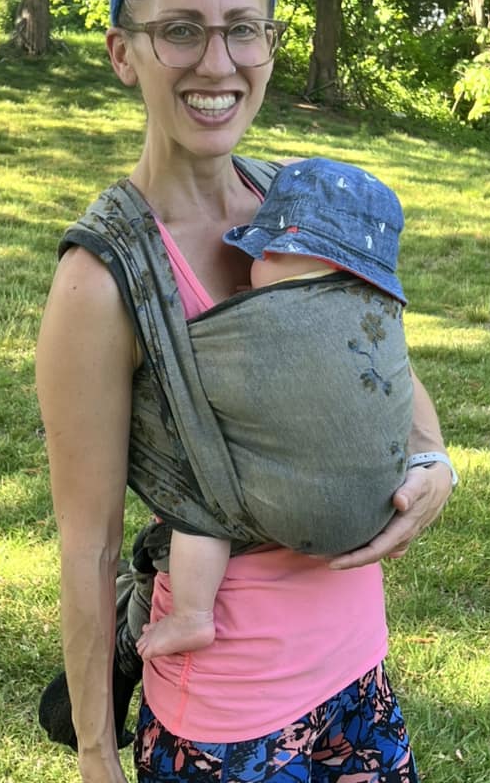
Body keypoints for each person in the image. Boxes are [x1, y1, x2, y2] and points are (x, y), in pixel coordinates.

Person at [36, 0, 455, 783]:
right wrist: (99, 759)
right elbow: (88, 542)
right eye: (180, 29)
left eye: (242, 28)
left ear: (269, 40)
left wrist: (434, 458)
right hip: (226, 727)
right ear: (122, 51)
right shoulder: (101, 279)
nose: (216, 62)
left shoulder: (296, 206)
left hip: (359, 680)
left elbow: (376, 361)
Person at [135, 156, 418, 662]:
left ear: (291, 251)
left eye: (263, 252)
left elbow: (181, 374)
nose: (251, 264)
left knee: (200, 504)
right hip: (380, 507)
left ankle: (192, 616)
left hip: (249, 665)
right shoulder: (372, 308)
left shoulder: (268, 319)